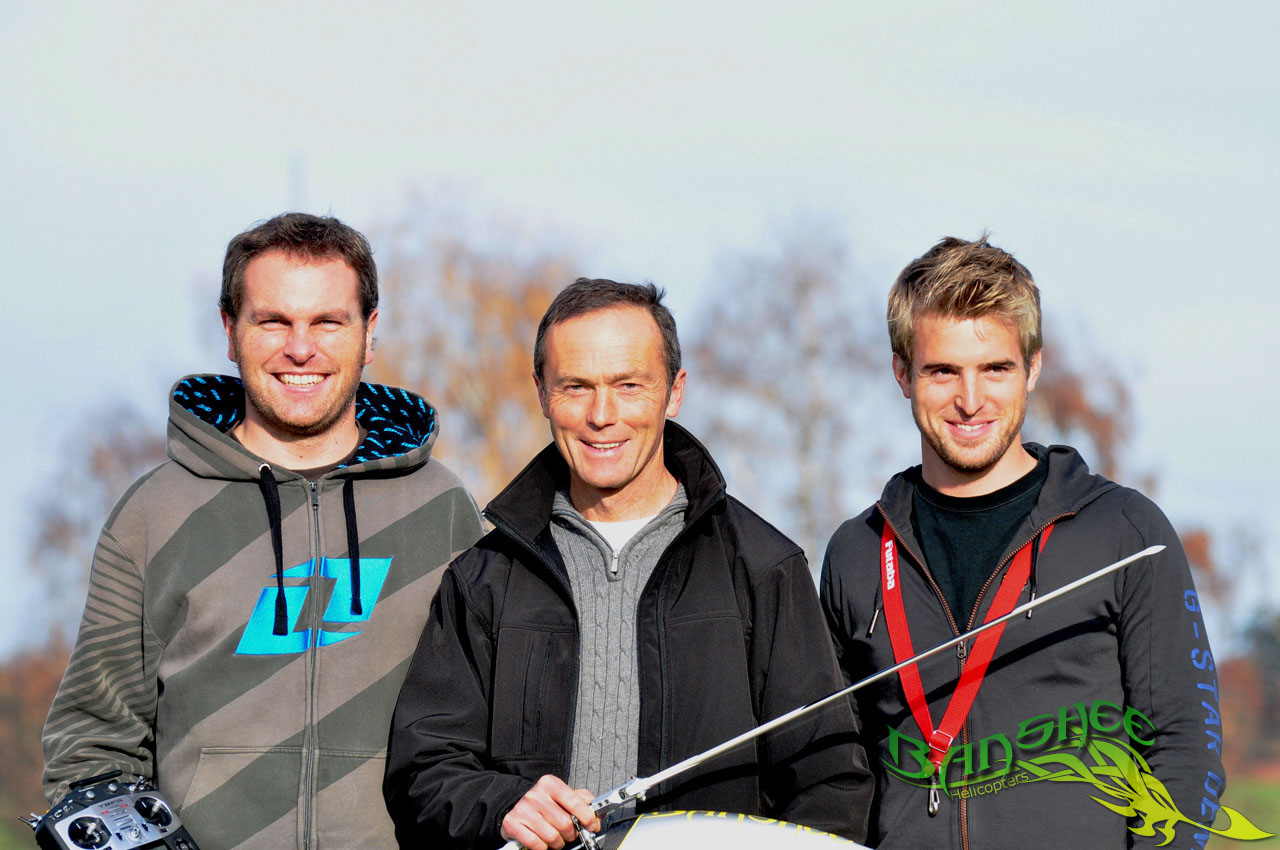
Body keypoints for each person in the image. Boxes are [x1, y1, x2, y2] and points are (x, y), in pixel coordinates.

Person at [42, 212, 484, 850]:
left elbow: (487, 727)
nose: (300, 349)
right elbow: (92, 742)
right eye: (272, 321)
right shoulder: (154, 513)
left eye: (328, 322)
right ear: (230, 330)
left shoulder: (441, 507)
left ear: (369, 333)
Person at [385, 278, 873, 850]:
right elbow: (425, 772)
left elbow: (829, 784)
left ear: (674, 392)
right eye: (575, 387)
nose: (601, 414)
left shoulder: (764, 570)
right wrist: (500, 805)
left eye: (629, 385)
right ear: (542, 393)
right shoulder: (484, 579)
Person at [820, 236, 1225, 848]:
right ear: (902, 373)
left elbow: (1185, 748)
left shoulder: (1125, 532)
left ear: (1033, 367)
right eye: (942, 371)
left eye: (996, 369)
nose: (970, 400)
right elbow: (836, 773)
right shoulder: (856, 552)